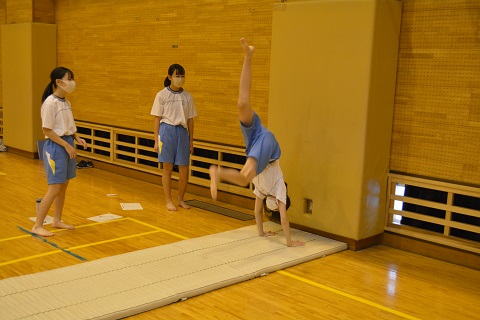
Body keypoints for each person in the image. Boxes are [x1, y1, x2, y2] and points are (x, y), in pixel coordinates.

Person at [209, 39, 304, 247]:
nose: (271, 207)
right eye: (277, 207)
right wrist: (290, 243)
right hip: (269, 148)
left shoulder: (261, 191)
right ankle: (218, 173)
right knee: (244, 178)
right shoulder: (279, 188)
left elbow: (256, 212)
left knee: (242, 103)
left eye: (271, 207)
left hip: (257, 137)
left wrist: (262, 234)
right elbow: (285, 220)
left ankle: (248, 56)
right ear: (280, 204)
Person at [32, 67, 87, 237]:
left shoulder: (66, 102)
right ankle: (38, 225)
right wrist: (66, 145)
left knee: (63, 186)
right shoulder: (50, 103)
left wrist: (76, 138)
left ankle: (56, 220)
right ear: (58, 82)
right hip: (56, 147)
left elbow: (67, 125)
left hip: (67, 143)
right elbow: (47, 130)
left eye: (72, 78)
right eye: (68, 79)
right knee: (54, 188)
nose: (72, 82)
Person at [151, 64, 197, 211]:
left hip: (182, 133)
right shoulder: (161, 95)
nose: (180, 79)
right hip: (166, 132)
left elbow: (190, 120)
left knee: (184, 169)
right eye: (177, 76)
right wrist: (156, 141)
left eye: (182, 76)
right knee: (167, 168)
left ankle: (181, 199)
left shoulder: (188, 96)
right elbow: (157, 119)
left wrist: (191, 141)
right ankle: (168, 200)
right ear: (170, 77)